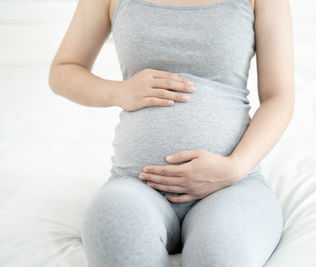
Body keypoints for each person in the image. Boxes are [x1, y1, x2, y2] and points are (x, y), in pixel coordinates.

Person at [48, 0, 294, 266]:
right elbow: (63, 70)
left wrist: (234, 168)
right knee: (113, 225)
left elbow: (278, 97)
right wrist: (118, 92)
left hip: (231, 187)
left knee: (219, 254)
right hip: (136, 186)